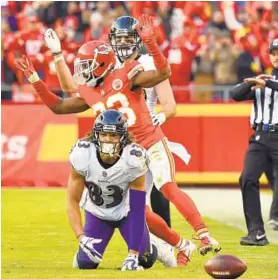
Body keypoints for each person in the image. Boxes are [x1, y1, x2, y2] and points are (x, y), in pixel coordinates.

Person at [17, 15, 220, 260]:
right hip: (128, 153)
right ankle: (183, 245)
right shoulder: (93, 92)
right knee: (138, 212)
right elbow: (59, 106)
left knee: (167, 186)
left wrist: (151, 42)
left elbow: (164, 71)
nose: (82, 71)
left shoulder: (128, 73)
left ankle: (204, 233)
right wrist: (36, 81)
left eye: (87, 65)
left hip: (150, 140)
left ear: (101, 64)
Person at [68, 109, 157, 270]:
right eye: (104, 135)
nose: (108, 140)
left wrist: (133, 254)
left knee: (145, 259)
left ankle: (158, 246)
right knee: (86, 264)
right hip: (97, 213)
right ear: (96, 135)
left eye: (114, 135)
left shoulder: (133, 158)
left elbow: (137, 209)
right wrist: (81, 237)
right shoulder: (82, 154)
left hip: (126, 213)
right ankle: (83, 253)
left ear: (123, 137)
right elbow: (72, 200)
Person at [230, 38, 278, 246]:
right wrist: (251, 83)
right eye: (274, 53)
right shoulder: (264, 78)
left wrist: (265, 82)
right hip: (260, 137)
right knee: (248, 178)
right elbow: (235, 95)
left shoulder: (269, 81)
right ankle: (256, 232)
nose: (276, 57)